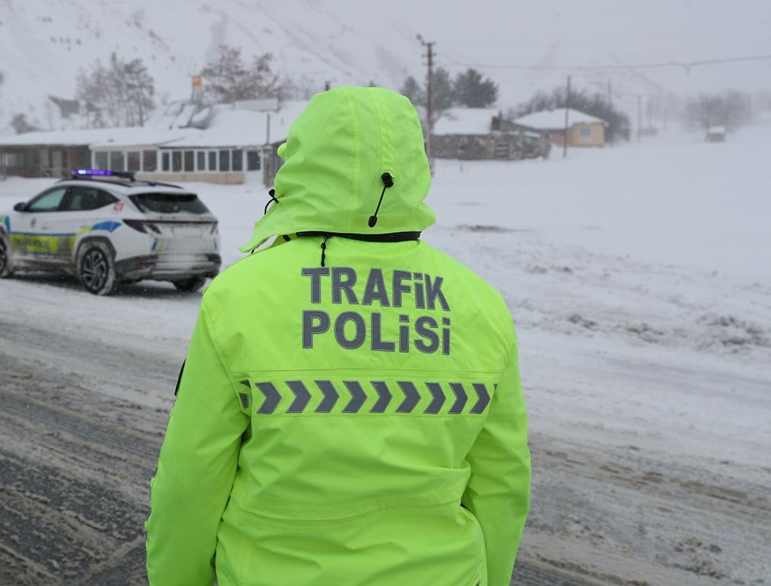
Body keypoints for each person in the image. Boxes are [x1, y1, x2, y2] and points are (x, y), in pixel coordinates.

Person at [145, 86, 530, 586]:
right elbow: (503, 484)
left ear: (301, 163)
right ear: (414, 166)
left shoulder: (241, 296)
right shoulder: (480, 304)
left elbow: (190, 481)